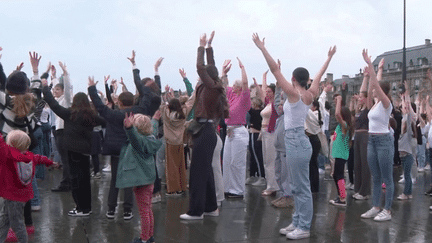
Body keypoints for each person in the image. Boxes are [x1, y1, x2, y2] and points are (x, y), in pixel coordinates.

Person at [253, 32, 336, 240]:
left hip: (296, 141)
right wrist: (329, 57)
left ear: (292, 79)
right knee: (297, 185)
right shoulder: (310, 93)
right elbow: (319, 74)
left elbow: (274, 70)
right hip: (298, 141)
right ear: (304, 80)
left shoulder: (294, 94)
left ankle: (304, 226)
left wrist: (263, 48)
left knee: (301, 186)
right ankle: (298, 221)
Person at [180, 31, 227, 220]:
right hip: (206, 129)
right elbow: (210, 66)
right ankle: (211, 208)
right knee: (205, 171)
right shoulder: (214, 84)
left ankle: (196, 211)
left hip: (204, 130)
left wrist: (200, 46)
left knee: (198, 173)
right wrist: (209, 47)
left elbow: (201, 67)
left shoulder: (211, 86)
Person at [43, 78, 106, 216]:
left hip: (72, 151)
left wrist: (45, 88)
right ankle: (87, 207)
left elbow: (53, 104)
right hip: (85, 151)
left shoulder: (69, 113)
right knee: (85, 180)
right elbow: (106, 119)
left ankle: (80, 208)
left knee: (76, 180)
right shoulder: (91, 116)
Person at [0, 130, 56, 243]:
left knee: (16, 224)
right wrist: (50, 162)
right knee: (5, 220)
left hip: (11, 196)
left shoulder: (8, 156)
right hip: (22, 196)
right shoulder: (29, 156)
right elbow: (40, 158)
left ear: (11, 145)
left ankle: (22, 241)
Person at [360, 49, 394, 221]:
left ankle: (387, 210)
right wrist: (378, 69)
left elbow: (376, 84)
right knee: (376, 176)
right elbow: (376, 82)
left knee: (387, 178)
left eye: (376, 90)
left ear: (382, 91)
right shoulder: (375, 104)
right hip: (372, 140)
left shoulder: (386, 104)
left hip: (383, 141)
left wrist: (369, 65)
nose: (372, 91)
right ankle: (375, 206)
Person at [116, 113, 162, 243]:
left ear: (137, 129)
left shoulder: (139, 142)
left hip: (141, 181)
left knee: (143, 212)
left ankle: (144, 238)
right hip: (149, 180)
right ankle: (150, 236)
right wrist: (155, 119)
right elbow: (150, 125)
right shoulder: (150, 138)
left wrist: (129, 128)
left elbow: (134, 137)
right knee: (148, 209)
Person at [222, 57, 251, 198]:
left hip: (239, 131)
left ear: (239, 88)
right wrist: (224, 71)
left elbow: (245, 83)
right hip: (229, 131)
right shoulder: (232, 94)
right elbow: (223, 85)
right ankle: (227, 188)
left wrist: (242, 68)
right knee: (227, 161)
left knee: (237, 162)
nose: (232, 87)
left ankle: (238, 190)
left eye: (235, 85)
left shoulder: (244, 98)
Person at [160, 86, 195, 196]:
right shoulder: (183, 112)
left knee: (171, 167)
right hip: (180, 142)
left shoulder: (166, 114)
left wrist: (166, 93)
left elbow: (162, 102)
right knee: (181, 166)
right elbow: (191, 101)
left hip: (170, 142)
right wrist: (197, 87)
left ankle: (173, 189)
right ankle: (182, 187)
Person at [254, 71, 279, 195]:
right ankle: (270, 184)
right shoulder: (268, 103)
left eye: (270, 92)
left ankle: (272, 186)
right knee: (266, 160)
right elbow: (262, 91)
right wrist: (263, 78)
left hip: (270, 132)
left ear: (274, 93)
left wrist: (277, 71)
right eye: (267, 91)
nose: (267, 93)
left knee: (270, 160)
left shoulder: (275, 103)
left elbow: (278, 89)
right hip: (264, 132)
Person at [352, 67, 373, 201]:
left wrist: (370, 77)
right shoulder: (359, 109)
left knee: (365, 164)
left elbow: (367, 93)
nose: (359, 98)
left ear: (365, 99)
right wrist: (365, 77)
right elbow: (362, 92)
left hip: (365, 135)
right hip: (357, 136)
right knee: (357, 163)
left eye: (361, 97)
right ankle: (358, 189)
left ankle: (365, 192)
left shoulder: (369, 107)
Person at [329, 95, 353, 206]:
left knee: (339, 176)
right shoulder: (341, 126)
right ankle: (340, 196)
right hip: (338, 154)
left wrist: (338, 100)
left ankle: (342, 198)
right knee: (336, 175)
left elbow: (337, 114)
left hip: (341, 154)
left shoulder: (345, 125)